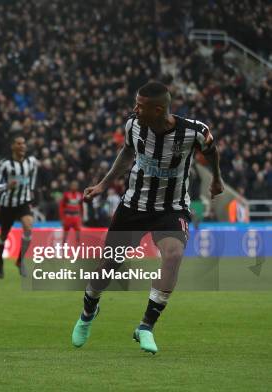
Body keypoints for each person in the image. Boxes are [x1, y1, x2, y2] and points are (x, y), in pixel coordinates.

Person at [71, 81, 224, 354]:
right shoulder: (134, 125)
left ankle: (146, 326)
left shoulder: (194, 132)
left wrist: (217, 180)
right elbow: (127, 151)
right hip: (134, 206)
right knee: (108, 266)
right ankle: (88, 311)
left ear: (158, 109)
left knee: (174, 255)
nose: (134, 110)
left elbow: (212, 152)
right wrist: (104, 185)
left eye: (140, 106)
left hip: (172, 208)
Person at [0, 134, 38, 279]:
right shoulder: (5, 164)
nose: (22, 146)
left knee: (29, 228)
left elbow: (33, 178)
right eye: (19, 143)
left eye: (23, 143)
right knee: (3, 235)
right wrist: (7, 186)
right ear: (13, 146)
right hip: (7, 205)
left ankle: (20, 260)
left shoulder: (31, 162)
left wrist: (31, 191)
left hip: (23, 202)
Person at [59, 180, 83, 245]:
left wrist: (81, 217)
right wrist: (62, 218)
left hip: (76, 218)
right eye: (73, 185)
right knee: (65, 236)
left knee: (78, 236)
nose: (74, 187)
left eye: (76, 186)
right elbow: (61, 207)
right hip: (68, 218)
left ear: (78, 187)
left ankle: (78, 253)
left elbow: (81, 207)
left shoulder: (80, 195)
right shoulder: (66, 195)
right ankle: (63, 252)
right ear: (70, 186)